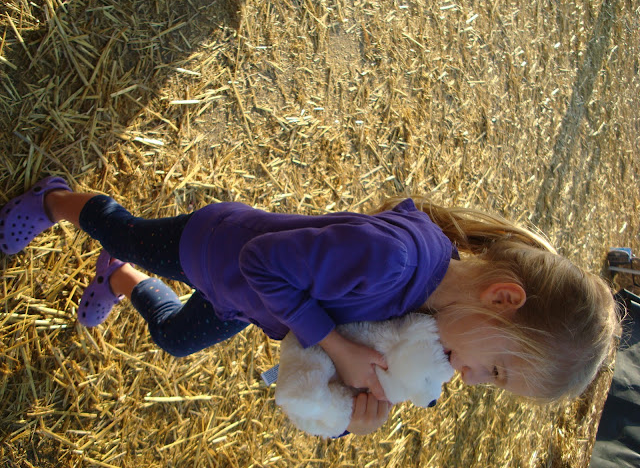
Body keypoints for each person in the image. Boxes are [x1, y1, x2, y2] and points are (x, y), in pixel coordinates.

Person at [1, 176, 621, 435]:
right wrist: (338, 346)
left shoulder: (426, 315)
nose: (469, 378)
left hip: (246, 305)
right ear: (502, 298)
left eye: (490, 385)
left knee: (175, 339)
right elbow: (261, 263)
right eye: (496, 370)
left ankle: (118, 281)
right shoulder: (396, 261)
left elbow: (327, 342)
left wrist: (346, 410)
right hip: (214, 251)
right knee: (124, 228)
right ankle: (57, 201)